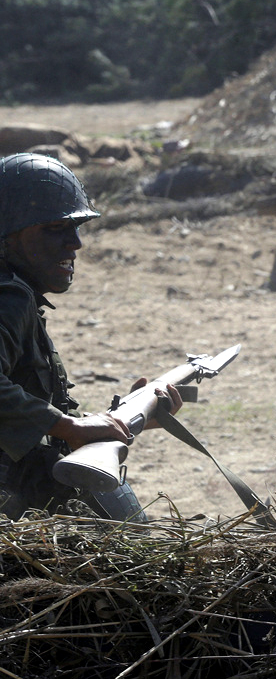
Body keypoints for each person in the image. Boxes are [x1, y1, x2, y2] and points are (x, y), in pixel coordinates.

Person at [0, 152, 181, 521]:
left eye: (76, 227)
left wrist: (133, 415)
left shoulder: (18, 292)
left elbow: (28, 407)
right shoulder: (9, 298)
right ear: (9, 234)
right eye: (54, 228)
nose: (75, 243)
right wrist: (70, 426)